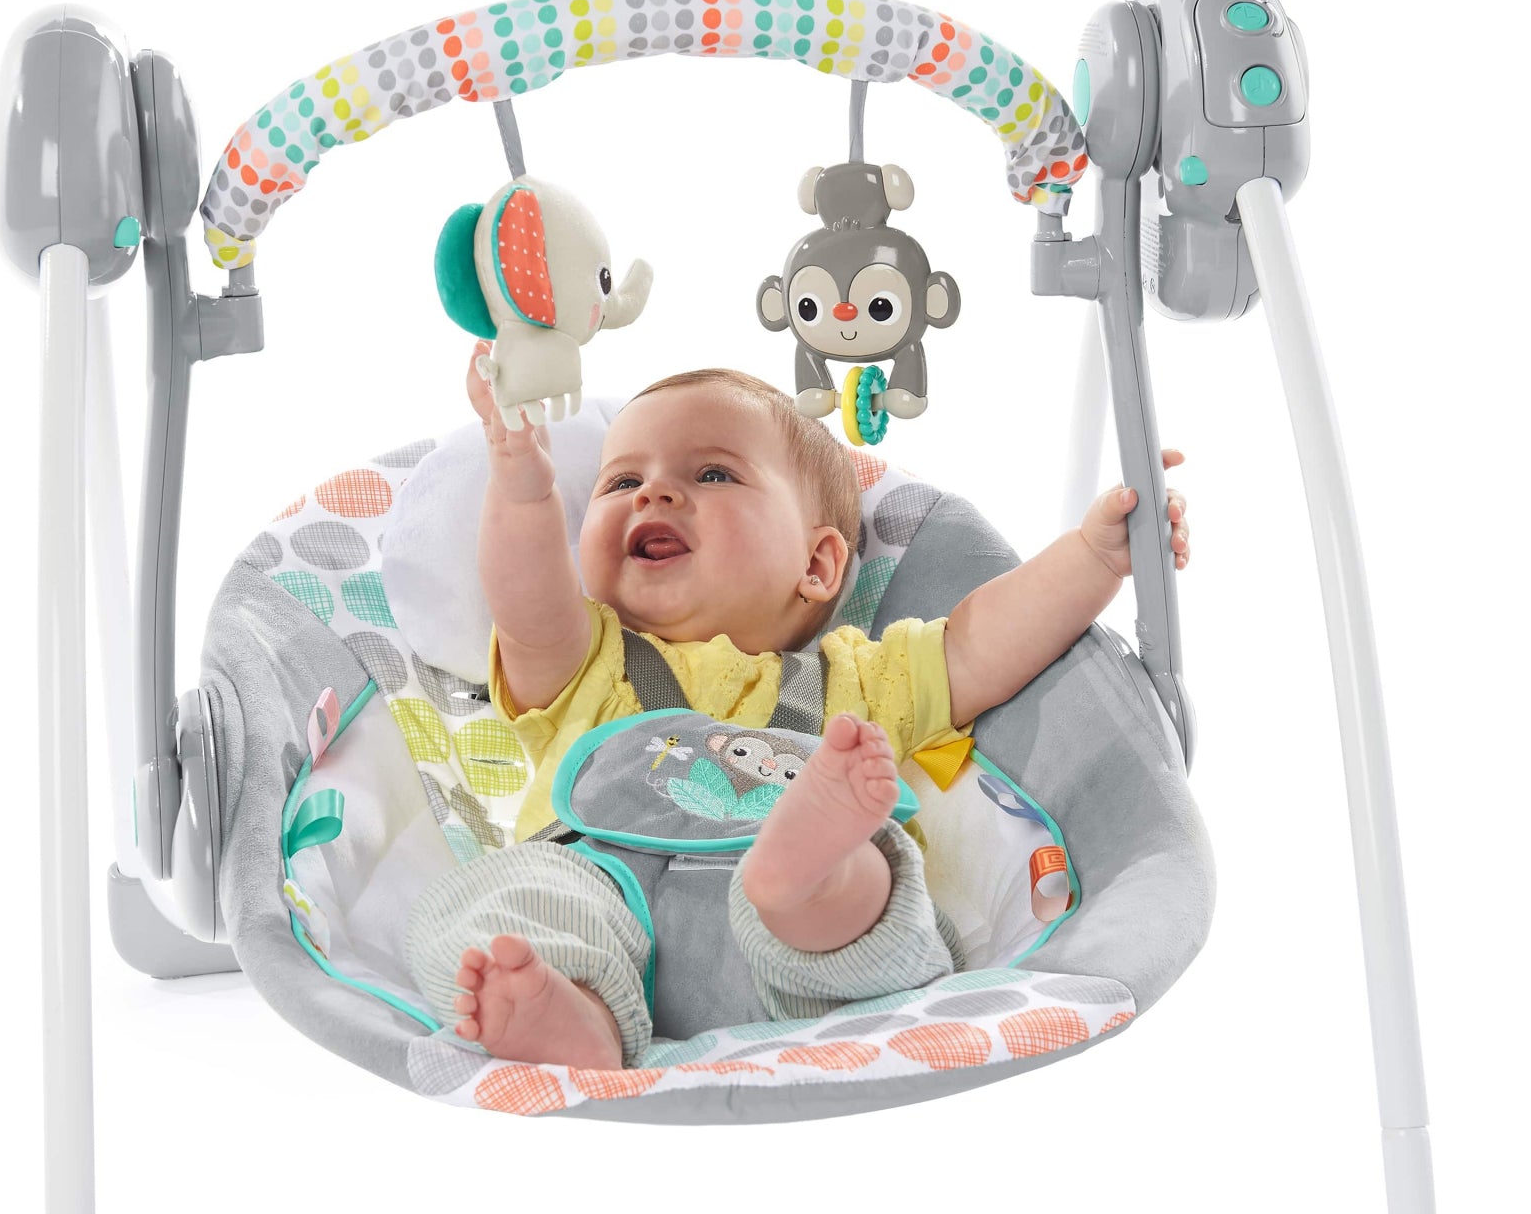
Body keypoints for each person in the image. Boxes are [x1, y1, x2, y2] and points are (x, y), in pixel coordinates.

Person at [402, 348, 1189, 1070]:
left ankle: (808, 874)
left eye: (713, 474)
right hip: (604, 893)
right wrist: (521, 479)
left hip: (794, 962)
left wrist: (1095, 556)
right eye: (618, 483)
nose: (654, 492)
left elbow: (981, 642)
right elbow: (529, 599)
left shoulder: (856, 681)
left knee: (874, 882)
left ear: (816, 564)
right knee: (512, 897)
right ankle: (572, 1011)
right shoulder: (587, 659)